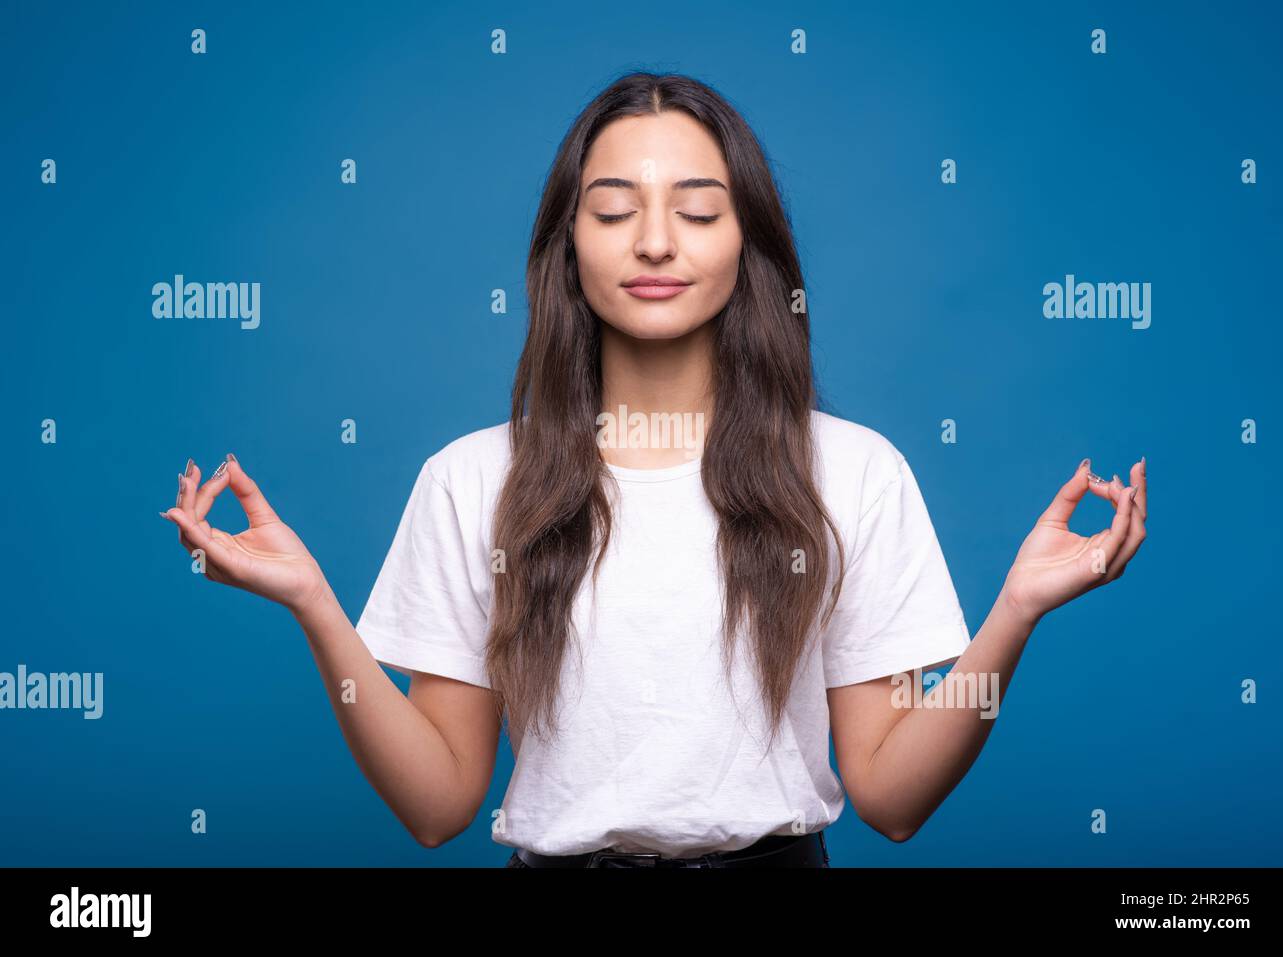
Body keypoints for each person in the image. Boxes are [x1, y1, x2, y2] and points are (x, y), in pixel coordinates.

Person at [159, 72, 1148, 869]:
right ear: (568, 246)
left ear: (747, 245)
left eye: (698, 210)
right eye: (615, 209)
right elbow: (437, 807)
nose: (656, 241)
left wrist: (1013, 612)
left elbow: (889, 799)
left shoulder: (853, 474)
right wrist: (314, 605)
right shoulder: (471, 481)